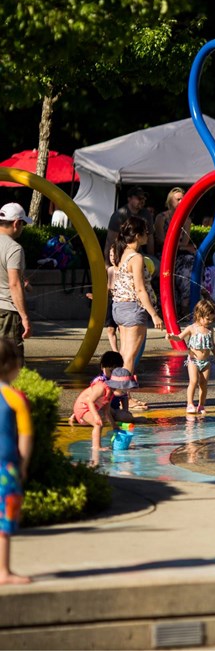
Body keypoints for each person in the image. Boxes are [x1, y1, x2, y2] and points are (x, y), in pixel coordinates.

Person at [110, 216, 162, 410]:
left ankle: (117, 396)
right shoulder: (137, 257)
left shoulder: (119, 252)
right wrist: (154, 314)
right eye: (146, 232)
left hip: (119, 307)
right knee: (129, 357)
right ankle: (124, 399)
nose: (148, 235)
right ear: (138, 235)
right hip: (133, 308)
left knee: (124, 354)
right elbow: (140, 290)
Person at [0, 339, 31, 585]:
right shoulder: (15, 398)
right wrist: (22, 464)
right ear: (12, 366)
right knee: (4, 521)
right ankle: (3, 571)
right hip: (5, 467)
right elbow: (26, 435)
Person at [166, 298, 215, 416]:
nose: (210, 321)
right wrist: (172, 337)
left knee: (204, 384)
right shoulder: (192, 328)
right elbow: (179, 337)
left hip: (206, 362)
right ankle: (190, 404)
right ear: (198, 315)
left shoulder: (210, 329)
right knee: (193, 381)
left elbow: (212, 345)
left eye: (212, 319)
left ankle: (201, 405)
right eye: (208, 319)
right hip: (193, 361)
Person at [70, 366, 135, 458]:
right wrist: (96, 416)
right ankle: (96, 447)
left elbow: (106, 411)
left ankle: (79, 417)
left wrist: (114, 426)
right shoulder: (101, 388)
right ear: (116, 386)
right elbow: (90, 401)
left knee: (103, 419)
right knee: (98, 424)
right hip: (82, 406)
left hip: (92, 407)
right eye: (123, 390)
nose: (125, 393)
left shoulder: (110, 394)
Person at [0, 204, 32, 364]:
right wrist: (25, 318)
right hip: (7, 313)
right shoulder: (14, 248)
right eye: (23, 224)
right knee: (11, 364)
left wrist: (22, 280)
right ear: (16, 223)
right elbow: (13, 284)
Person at [68, 351, 134, 427]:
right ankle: (78, 415)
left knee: (126, 417)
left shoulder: (119, 380)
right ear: (102, 367)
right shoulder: (99, 381)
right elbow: (90, 400)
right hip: (99, 408)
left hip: (112, 409)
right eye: (111, 370)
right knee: (102, 418)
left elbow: (124, 397)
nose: (113, 373)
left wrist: (125, 410)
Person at [105, 186, 154, 258]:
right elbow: (110, 241)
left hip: (140, 254)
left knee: (157, 266)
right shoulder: (119, 215)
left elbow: (150, 239)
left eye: (143, 198)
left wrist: (151, 257)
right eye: (139, 198)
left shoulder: (146, 215)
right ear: (129, 199)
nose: (142, 200)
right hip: (121, 255)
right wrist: (107, 264)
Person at [154, 187, 194, 257]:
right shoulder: (161, 217)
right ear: (170, 201)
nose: (181, 202)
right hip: (164, 253)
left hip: (180, 252)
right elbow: (160, 240)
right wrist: (182, 246)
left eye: (183, 199)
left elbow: (185, 242)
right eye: (178, 199)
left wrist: (182, 247)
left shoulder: (187, 220)